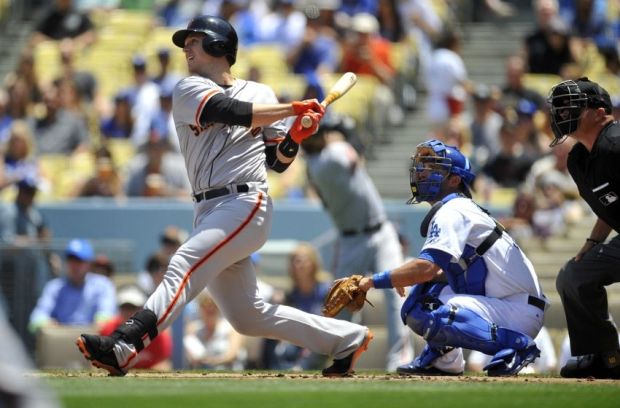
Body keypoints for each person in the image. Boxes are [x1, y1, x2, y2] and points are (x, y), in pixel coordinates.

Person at [76, 15, 372, 378]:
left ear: (219, 45)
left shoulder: (261, 93)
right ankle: (346, 339)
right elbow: (228, 111)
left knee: (183, 264)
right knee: (248, 316)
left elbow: (276, 161)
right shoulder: (188, 89)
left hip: (245, 203)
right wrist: (291, 110)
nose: (186, 47)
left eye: (195, 40)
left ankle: (125, 343)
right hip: (208, 209)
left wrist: (296, 135)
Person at [354, 139, 547, 376]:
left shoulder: (453, 210)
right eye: (422, 166)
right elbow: (434, 273)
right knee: (422, 295)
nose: (422, 173)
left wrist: (373, 281)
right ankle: (444, 361)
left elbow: (426, 267)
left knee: (429, 307)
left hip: (517, 310)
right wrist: (406, 278)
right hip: (508, 304)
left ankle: (518, 346)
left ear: (455, 180)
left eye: (433, 168)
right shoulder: (458, 208)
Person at [301, 120, 413, 371]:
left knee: (394, 292)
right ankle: (329, 355)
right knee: (342, 304)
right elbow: (357, 154)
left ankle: (399, 360)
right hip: (355, 238)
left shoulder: (313, 165)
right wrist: (347, 128)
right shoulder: (329, 156)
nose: (319, 135)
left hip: (378, 233)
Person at [546, 77, 620, 379]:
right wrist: (592, 241)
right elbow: (609, 207)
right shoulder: (578, 159)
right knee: (574, 274)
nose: (564, 113)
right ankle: (604, 357)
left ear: (600, 111)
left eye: (573, 106)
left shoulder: (617, 145)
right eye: (560, 108)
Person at [29, 239, 117, 332]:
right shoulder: (54, 287)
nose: (74, 265)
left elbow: (107, 317)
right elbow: (35, 320)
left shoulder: (103, 285)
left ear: (89, 264)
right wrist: (47, 323)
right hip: (61, 342)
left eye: (79, 261)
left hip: (92, 342)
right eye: (71, 260)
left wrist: (99, 324)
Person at [100, 285, 172, 370]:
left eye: (133, 308)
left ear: (142, 309)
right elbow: (99, 364)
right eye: (125, 308)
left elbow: (164, 364)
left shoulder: (158, 333)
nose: (128, 312)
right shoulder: (108, 330)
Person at [184, 292, 246, 370]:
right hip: (202, 373)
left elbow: (231, 356)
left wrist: (211, 361)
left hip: (228, 372)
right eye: (204, 305)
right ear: (200, 309)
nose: (210, 308)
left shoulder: (232, 328)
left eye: (214, 305)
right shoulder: (194, 329)